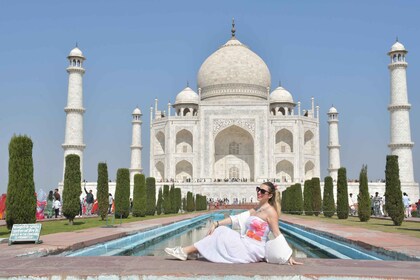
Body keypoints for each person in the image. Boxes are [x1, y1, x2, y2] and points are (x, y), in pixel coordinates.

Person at [164, 182, 302, 265]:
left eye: (262, 191)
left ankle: (185, 251)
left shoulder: (271, 212)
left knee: (222, 234)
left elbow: (277, 233)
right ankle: (191, 252)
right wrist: (217, 223)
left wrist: (287, 255)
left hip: (253, 249)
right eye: (258, 190)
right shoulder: (257, 208)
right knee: (221, 231)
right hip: (245, 242)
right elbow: (236, 218)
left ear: (270, 195)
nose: (259, 193)